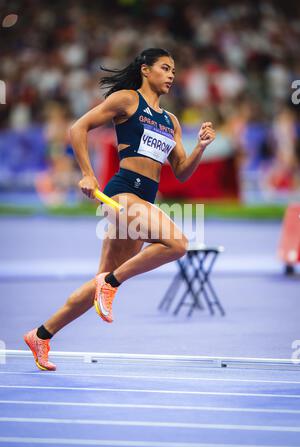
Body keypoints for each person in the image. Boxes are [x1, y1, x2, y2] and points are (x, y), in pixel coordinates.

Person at [24, 48, 216, 371]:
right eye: (165, 68)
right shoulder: (127, 100)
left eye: (173, 70)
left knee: (98, 280)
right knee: (177, 243)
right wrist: (87, 173)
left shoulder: (171, 121)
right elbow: (77, 129)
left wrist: (200, 147)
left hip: (145, 200)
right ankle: (112, 284)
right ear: (145, 70)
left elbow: (181, 171)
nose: (171, 75)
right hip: (123, 194)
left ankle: (41, 335)